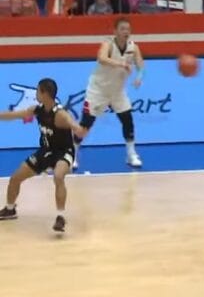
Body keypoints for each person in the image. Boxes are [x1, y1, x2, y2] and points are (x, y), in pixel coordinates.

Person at [0, 78, 85, 233]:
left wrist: (77, 128)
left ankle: (60, 217)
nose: (36, 94)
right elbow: (14, 115)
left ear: (45, 94)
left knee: (58, 176)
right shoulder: (37, 110)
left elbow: (71, 123)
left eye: (38, 91)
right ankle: (10, 209)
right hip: (46, 151)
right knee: (15, 178)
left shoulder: (60, 114)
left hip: (63, 152)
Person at [73, 17, 144, 169]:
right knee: (86, 124)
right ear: (115, 31)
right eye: (122, 29)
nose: (126, 32)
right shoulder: (108, 44)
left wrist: (139, 77)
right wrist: (121, 64)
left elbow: (140, 65)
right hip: (98, 91)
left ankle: (131, 154)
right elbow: (101, 58)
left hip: (117, 91)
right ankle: (72, 153)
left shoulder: (133, 47)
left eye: (128, 29)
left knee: (128, 120)